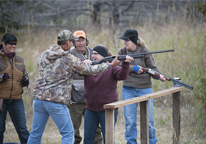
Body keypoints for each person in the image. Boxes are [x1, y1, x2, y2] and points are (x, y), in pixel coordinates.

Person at [27, 30, 121, 144]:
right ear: (68, 42)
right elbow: (90, 70)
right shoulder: (68, 58)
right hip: (55, 100)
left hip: (38, 99)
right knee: (68, 134)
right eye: (73, 41)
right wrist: (110, 64)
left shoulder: (44, 54)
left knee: (35, 133)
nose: (74, 44)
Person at [117, 29, 166, 144]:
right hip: (128, 89)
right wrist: (132, 68)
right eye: (124, 40)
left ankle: (151, 141)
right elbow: (117, 67)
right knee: (130, 121)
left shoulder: (144, 51)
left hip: (145, 89)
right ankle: (131, 142)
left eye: (127, 40)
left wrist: (160, 76)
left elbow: (152, 68)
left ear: (134, 40)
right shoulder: (122, 51)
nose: (125, 42)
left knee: (148, 120)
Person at [83, 45, 134, 144]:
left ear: (103, 56)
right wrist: (84, 63)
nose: (92, 56)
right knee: (88, 138)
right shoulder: (89, 67)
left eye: (95, 54)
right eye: (92, 53)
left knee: (108, 139)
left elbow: (122, 76)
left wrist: (125, 63)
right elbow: (77, 67)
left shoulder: (112, 67)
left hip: (108, 109)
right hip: (90, 108)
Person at [69, 30, 103, 144]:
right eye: (77, 41)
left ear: (86, 40)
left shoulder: (93, 52)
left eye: (82, 40)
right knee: (73, 129)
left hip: (92, 98)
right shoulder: (69, 54)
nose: (80, 43)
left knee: (96, 130)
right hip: (75, 99)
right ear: (74, 42)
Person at [0, 33, 30, 144]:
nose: (13, 46)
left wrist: (25, 81)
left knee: (22, 129)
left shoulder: (20, 60)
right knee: (0, 129)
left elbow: (25, 75)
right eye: (11, 44)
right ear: (3, 44)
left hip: (16, 100)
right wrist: (1, 77)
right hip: (1, 100)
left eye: (15, 44)